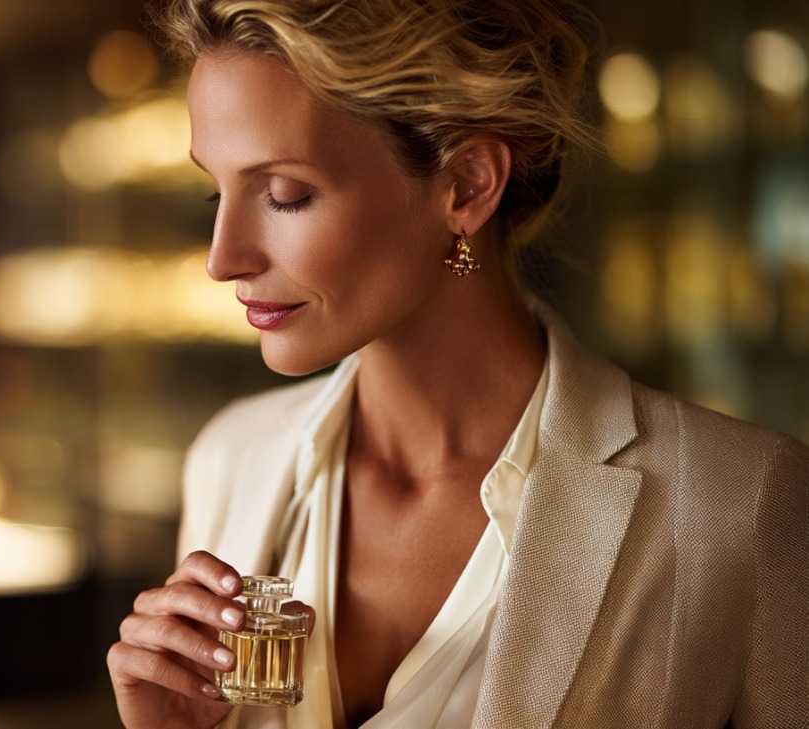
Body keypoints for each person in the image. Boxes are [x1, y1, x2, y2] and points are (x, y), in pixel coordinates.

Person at [106, 1, 809, 728]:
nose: (223, 259)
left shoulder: (738, 506)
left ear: (467, 185)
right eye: (214, 192)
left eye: (286, 195)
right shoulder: (231, 459)